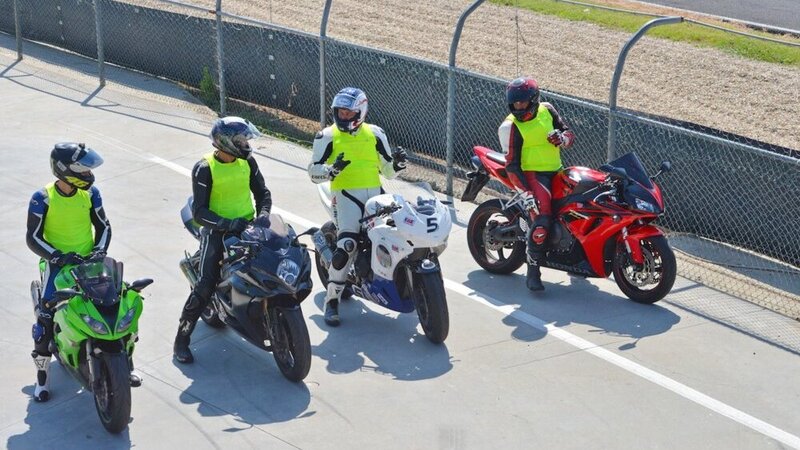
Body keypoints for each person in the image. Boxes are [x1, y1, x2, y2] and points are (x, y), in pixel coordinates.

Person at [25, 142, 126, 402]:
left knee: (116, 304)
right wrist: (57, 256)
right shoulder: (42, 198)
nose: (89, 175)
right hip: (57, 264)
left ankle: (126, 367)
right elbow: (33, 238)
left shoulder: (91, 194)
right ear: (64, 171)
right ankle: (42, 379)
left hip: (90, 261)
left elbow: (104, 227)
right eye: (82, 170)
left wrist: (100, 251)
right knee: (45, 317)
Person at [173, 116, 272, 364]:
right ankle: (182, 338)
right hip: (216, 230)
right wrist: (227, 224)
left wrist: (263, 216)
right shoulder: (204, 168)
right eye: (241, 139)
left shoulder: (247, 162)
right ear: (225, 142)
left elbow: (263, 194)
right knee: (206, 283)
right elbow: (199, 213)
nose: (246, 144)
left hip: (249, 227)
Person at [308, 87, 407, 326]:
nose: (343, 116)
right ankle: (331, 301)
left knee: (401, 234)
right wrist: (331, 170)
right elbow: (313, 171)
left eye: (347, 112)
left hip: (376, 196)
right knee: (347, 245)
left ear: (360, 112)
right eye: (339, 112)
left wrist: (399, 163)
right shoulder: (327, 136)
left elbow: (387, 171)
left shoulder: (375, 134)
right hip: (345, 196)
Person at [498, 77, 576, 292]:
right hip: (532, 175)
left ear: (533, 100)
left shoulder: (547, 110)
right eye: (515, 103)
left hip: (556, 169)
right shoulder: (510, 127)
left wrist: (562, 138)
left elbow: (569, 133)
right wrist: (526, 192)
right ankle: (533, 269)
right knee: (542, 220)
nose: (518, 107)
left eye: (522, 103)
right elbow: (511, 166)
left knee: (576, 207)